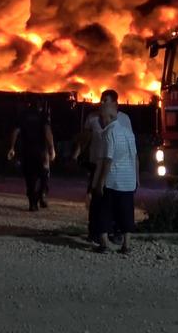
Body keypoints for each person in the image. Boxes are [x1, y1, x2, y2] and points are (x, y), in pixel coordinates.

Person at [73, 90, 133, 244]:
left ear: (115, 103)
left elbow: (129, 145)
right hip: (96, 164)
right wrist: (76, 154)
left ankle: (113, 233)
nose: (102, 103)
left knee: (114, 202)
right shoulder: (92, 118)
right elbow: (85, 139)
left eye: (105, 100)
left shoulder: (124, 120)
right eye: (101, 100)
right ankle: (95, 232)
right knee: (96, 201)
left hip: (114, 167)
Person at [92, 91, 139, 254]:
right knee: (126, 212)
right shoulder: (128, 132)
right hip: (128, 181)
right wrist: (136, 179)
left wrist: (100, 182)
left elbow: (108, 159)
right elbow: (135, 157)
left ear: (108, 118)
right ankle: (127, 245)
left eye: (102, 118)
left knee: (104, 210)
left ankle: (104, 243)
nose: (101, 121)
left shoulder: (108, 133)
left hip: (113, 181)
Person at [8, 96, 56, 211]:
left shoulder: (23, 115)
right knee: (44, 174)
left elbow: (15, 131)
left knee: (30, 177)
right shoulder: (43, 115)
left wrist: (12, 147)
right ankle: (41, 194)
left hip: (26, 151)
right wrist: (51, 148)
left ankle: (33, 203)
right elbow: (48, 132)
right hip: (40, 151)